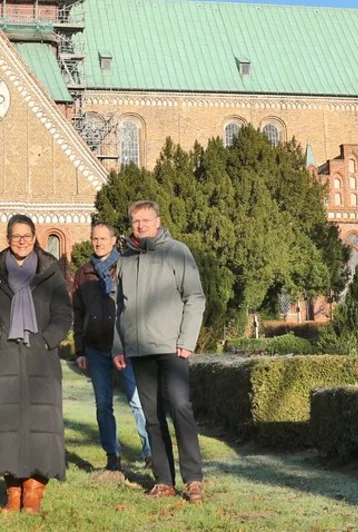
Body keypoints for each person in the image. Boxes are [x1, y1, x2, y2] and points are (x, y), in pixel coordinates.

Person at [0, 214, 73, 515]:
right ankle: (13, 491)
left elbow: (63, 313)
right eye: (16, 236)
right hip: (5, 356)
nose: (21, 241)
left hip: (41, 356)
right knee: (6, 424)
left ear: (34, 238)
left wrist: (47, 339)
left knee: (42, 423)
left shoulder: (50, 272)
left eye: (27, 235)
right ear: (8, 239)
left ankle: (34, 491)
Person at [113, 200, 207, 503]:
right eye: (136, 221)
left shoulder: (177, 251)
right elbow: (119, 307)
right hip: (139, 349)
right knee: (152, 417)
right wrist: (118, 346)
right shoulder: (125, 259)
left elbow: (195, 297)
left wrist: (187, 340)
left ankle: (193, 479)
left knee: (180, 408)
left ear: (158, 221)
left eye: (146, 220)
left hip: (172, 347)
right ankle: (164, 481)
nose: (141, 225)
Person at [73, 221, 152, 473]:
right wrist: (80, 349)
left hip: (125, 346)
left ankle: (151, 452)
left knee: (137, 400)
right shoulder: (83, 272)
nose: (98, 243)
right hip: (95, 347)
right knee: (103, 405)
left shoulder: (126, 266)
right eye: (94, 239)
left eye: (103, 239)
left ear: (113, 240)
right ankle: (112, 455)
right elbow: (78, 313)